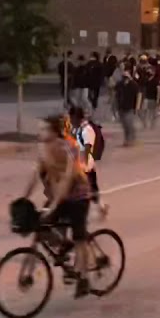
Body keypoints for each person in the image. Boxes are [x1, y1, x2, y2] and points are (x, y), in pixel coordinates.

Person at [23, 114, 95, 298]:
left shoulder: (67, 148)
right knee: (41, 228)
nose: (40, 132)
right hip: (59, 197)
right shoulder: (43, 150)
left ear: (55, 132)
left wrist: (54, 204)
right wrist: (23, 198)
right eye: (40, 129)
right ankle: (28, 273)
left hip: (78, 196)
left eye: (44, 129)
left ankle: (84, 279)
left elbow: (67, 179)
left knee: (79, 237)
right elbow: (34, 176)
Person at [70, 105, 109, 218]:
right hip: (80, 163)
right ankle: (101, 207)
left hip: (85, 165)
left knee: (87, 189)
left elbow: (88, 148)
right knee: (90, 188)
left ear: (77, 117)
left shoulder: (86, 130)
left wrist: (85, 166)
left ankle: (97, 208)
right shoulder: (77, 128)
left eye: (72, 118)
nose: (71, 121)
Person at [115, 64, 140, 146]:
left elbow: (138, 96)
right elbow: (116, 94)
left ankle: (130, 139)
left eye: (126, 76)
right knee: (125, 125)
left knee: (129, 124)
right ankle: (127, 139)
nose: (125, 78)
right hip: (121, 107)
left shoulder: (133, 85)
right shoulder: (120, 84)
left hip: (130, 107)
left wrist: (137, 107)